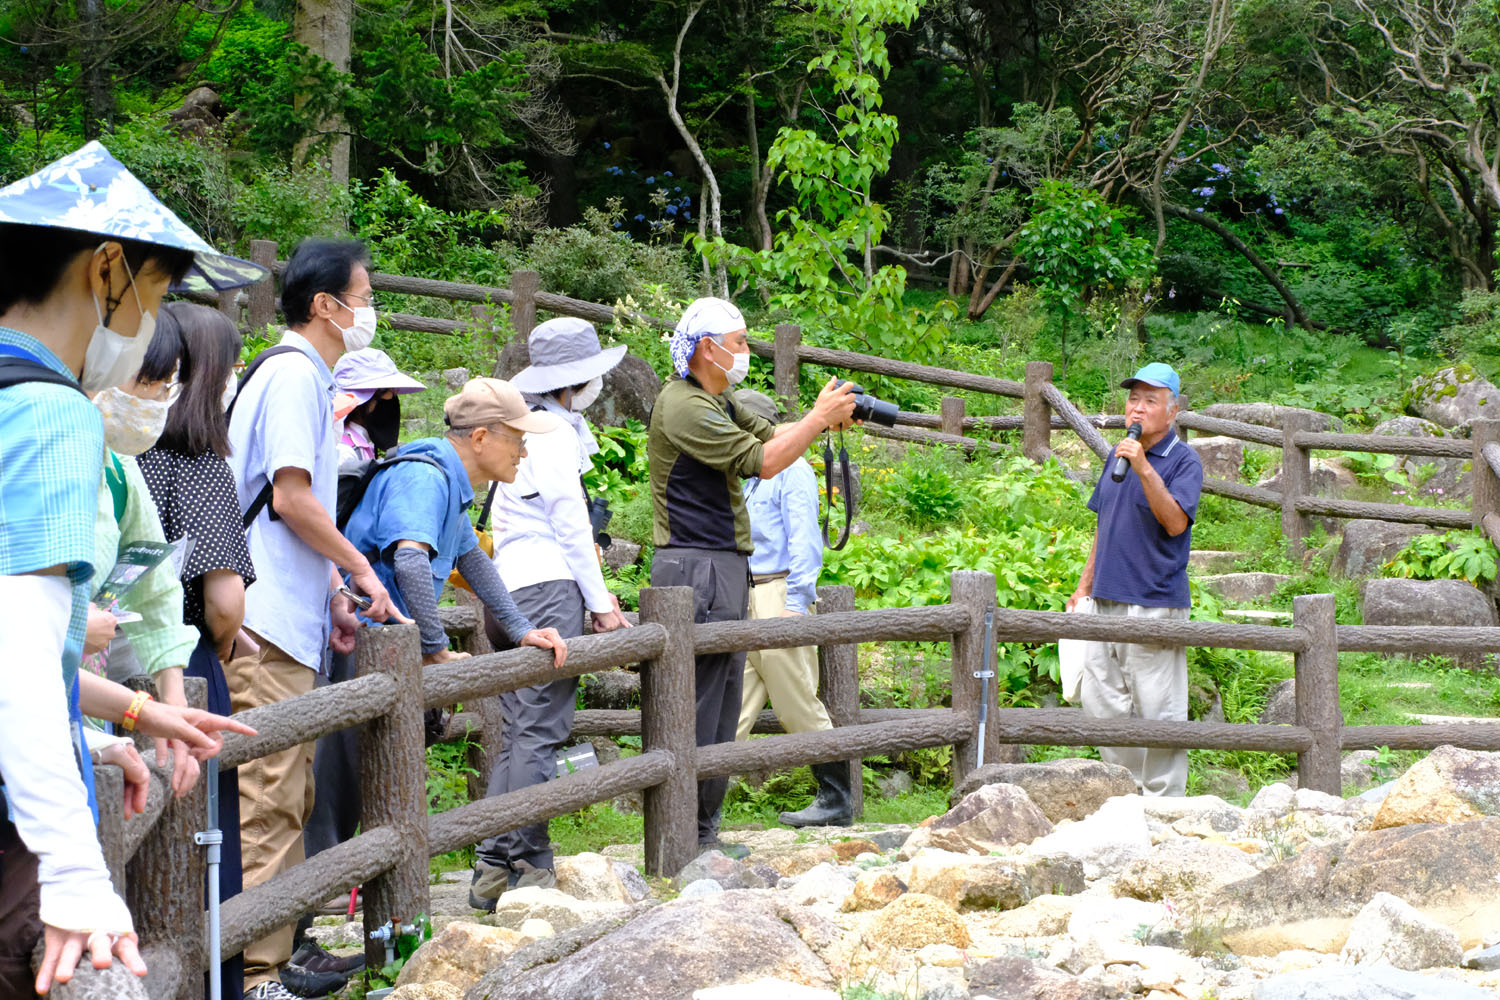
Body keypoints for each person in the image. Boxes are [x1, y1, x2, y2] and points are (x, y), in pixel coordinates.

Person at [0, 141, 262, 996]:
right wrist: (74, 870)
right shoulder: (48, 412)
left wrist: (141, 709)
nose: (148, 326)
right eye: (152, 294)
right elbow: (18, 652)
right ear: (106, 267)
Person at [226, 237, 410, 1000]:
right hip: (263, 615)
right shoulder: (297, 374)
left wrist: (331, 584)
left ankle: (277, 949)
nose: (369, 311)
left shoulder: (296, 373)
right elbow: (291, 498)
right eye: (363, 297)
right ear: (326, 305)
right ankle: (252, 972)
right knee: (268, 795)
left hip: (283, 609)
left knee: (287, 792)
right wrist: (362, 568)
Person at [647, 297, 857, 858]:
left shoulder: (717, 399)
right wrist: (816, 420)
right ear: (707, 348)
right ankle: (685, 834)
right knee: (703, 708)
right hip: (697, 563)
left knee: (722, 709)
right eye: (739, 342)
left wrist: (827, 417)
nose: (746, 352)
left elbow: (770, 434)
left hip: (723, 567)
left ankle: (701, 833)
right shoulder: (686, 406)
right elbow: (762, 459)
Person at [467, 318, 632, 911]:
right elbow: (571, 526)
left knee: (517, 732)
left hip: (506, 592)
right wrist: (600, 603)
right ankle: (523, 859)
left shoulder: (521, 429)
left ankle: (494, 859)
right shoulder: (554, 435)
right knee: (540, 730)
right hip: (546, 589)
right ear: (579, 380)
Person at [136, 301, 256, 999]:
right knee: (203, 838)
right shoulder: (199, 466)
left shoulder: (123, 454)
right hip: (183, 667)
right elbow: (224, 601)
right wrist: (219, 643)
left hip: (110, 669)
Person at [1067, 362, 1203, 797]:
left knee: (1159, 716)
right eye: (1133, 399)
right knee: (1102, 709)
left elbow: (1175, 523)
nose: (1138, 408)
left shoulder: (1184, 461)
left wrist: (1144, 466)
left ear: (1173, 410)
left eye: (1150, 400)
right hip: (1105, 597)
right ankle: (1127, 795)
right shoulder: (1117, 452)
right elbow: (1104, 523)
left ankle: (1166, 809)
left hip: (1154, 602)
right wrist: (1084, 585)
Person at [731, 390, 849, 828]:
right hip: (744, 594)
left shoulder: (792, 469)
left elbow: (805, 539)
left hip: (779, 593)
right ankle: (697, 808)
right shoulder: (746, 474)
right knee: (734, 709)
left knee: (796, 700)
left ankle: (836, 798)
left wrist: (798, 602)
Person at [331, 348, 426, 462]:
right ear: (367, 400)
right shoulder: (345, 453)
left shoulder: (359, 444)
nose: (392, 405)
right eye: (389, 395)